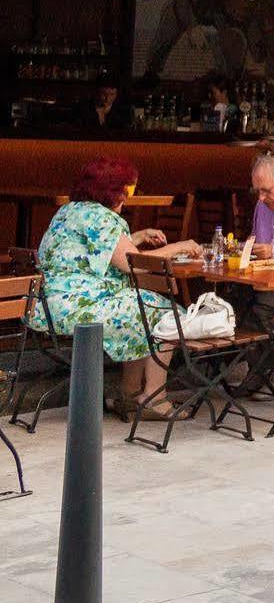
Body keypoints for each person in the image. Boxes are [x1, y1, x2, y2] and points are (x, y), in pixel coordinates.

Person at [29, 158, 199, 418]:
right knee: (166, 313)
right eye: (127, 190)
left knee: (138, 305)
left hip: (50, 307)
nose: (128, 197)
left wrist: (137, 237)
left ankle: (129, 396)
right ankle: (155, 397)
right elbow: (135, 265)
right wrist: (181, 246)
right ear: (110, 190)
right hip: (80, 308)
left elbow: (95, 249)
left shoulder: (70, 210)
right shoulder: (101, 217)